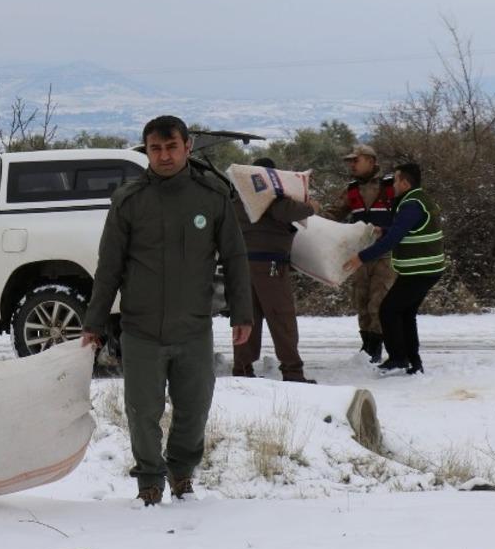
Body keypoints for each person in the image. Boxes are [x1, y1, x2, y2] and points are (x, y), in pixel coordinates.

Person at [83, 115, 253, 506]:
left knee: (194, 410)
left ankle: (181, 473)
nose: (164, 156)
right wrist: (94, 322)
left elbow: (235, 257)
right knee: (143, 412)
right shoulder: (129, 200)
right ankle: (149, 481)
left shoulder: (211, 197)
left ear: (187, 147)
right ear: (147, 151)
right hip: (141, 329)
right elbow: (108, 266)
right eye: (155, 149)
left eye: (171, 147)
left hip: (193, 327)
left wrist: (242, 313)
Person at [343, 162, 444, 376]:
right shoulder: (416, 199)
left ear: (405, 183)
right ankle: (412, 361)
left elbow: (393, 240)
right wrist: (385, 229)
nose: (393, 184)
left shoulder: (411, 204)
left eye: (396, 180)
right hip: (424, 269)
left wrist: (362, 257)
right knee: (405, 313)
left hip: (420, 270)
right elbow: (405, 230)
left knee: (388, 310)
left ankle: (399, 358)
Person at [232, 157, 318, 383]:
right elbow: (285, 212)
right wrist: (311, 207)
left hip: (243, 265)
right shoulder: (269, 194)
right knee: (282, 318)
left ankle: (242, 370)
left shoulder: (241, 195)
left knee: (247, 318)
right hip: (270, 265)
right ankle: (292, 372)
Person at [327, 144, 396, 362]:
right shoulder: (352, 189)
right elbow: (334, 214)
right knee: (362, 302)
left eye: (356, 160)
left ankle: (374, 350)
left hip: (386, 255)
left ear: (371, 160)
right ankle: (366, 347)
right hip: (359, 256)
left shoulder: (390, 186)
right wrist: (312, 214)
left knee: (379, 302)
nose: (352, 165)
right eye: (350, 161)